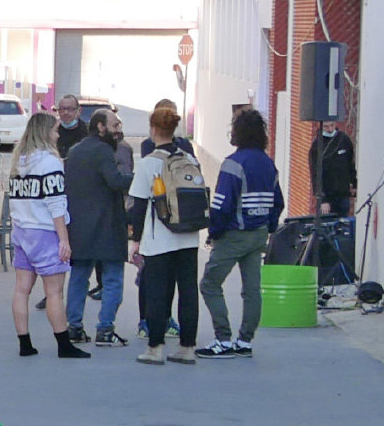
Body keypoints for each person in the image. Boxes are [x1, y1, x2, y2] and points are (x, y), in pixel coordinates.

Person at [198, 107, 285, 359]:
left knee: (210, 284)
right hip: (258, 234)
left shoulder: (233, 164)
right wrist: (268, 226)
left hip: (234, 234)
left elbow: (222, 206)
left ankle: (223, 340)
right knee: (251, 289)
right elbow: (277, 202)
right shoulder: (268, 165)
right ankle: (244, 341)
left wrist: (214, 233)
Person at [6, 114, 89, 359]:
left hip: (22, 231)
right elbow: (56, 204)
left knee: (21, 290)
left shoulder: (18, 163)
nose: (58, 134)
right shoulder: (51, 163)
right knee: (54, 292)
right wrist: (64, 239)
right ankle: (64, 345)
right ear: (44, 133)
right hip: (45, 232)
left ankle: (25, 343)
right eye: (54, 129)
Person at [128, 107, 202, 365]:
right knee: (188, 291)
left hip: (159, 239)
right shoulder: (189, 159)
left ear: (153, 130)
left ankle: (155, 347)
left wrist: (135, 240)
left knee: (158, 292)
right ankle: (187, 347)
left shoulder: (148, 163)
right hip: (189, 236)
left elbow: (138, 207)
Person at [62, 109, 133, 347]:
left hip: (79, 228)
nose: (118, 130)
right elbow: (115, 181)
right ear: (100, 126)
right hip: (106, 226)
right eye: (114, 125)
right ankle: (105, 329)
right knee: (112, 278)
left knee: (79, 278)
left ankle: (74, 328)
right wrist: (136, 177)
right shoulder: (103, 150)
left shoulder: (75, 151)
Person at [310, 120, 357, 216]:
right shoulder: (317, 146)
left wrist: (355, 184)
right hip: (328, 197)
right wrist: (323, 200)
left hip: (343, 194)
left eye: (332, 125)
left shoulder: (344, 140)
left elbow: (350, 165)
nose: (330, 129)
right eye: (327, 126)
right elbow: (315, 175)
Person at [54, 94, 89, 158]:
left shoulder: (87, 133)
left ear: (79, 111)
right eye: (62, 109)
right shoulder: (53, 133)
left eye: (70, 109)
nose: (65, 112)